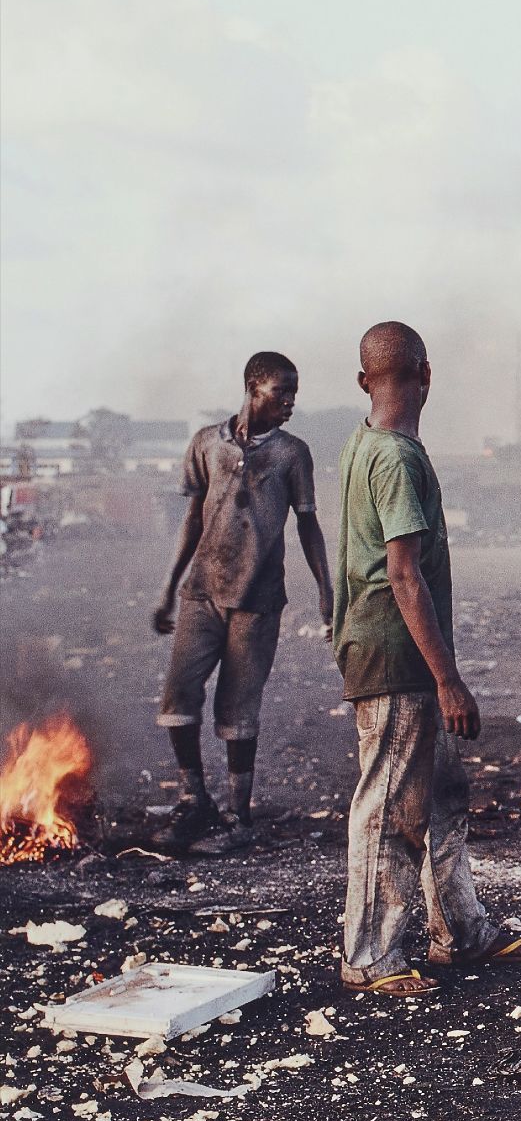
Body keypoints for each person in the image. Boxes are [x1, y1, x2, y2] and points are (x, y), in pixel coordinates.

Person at [332, 321, 521, 997]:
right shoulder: (396, 458)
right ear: (426, 375)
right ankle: (370, 955)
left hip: (398, 652)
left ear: (363, 378)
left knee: (442, 793)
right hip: (398, 657)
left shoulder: (363, 444)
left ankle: (458, 930)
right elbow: (403, 575)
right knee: (389, 805)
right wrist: (448, 678)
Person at [153, 351, 331, 851]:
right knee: (179, 696)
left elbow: (308, 524)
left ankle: (240, 822)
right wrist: (168, 589)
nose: (291, 401)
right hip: (202, 592)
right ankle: (194, 801)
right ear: (254, 387)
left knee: (238, 708)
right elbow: (192, 521)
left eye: (295, 392)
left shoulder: (292, 453)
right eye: (282, 391)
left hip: (257, 599)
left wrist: (325, 591)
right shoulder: (208, 444)